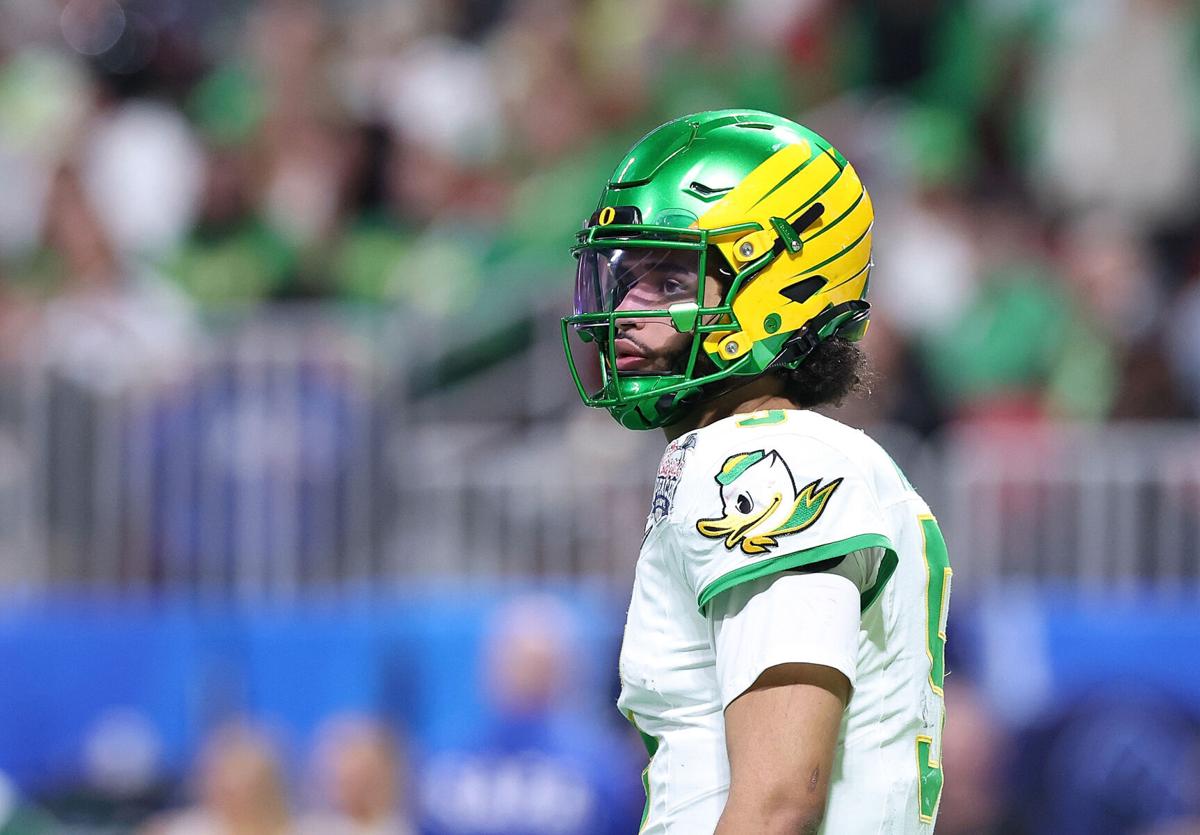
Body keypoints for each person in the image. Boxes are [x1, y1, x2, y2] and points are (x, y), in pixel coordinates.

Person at [561, 109, 952, 833]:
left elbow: (778, 802)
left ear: (779, 286)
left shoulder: (769, 460)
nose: (624, 310)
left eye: (670, 275)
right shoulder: (789, 448)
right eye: (623, 276)